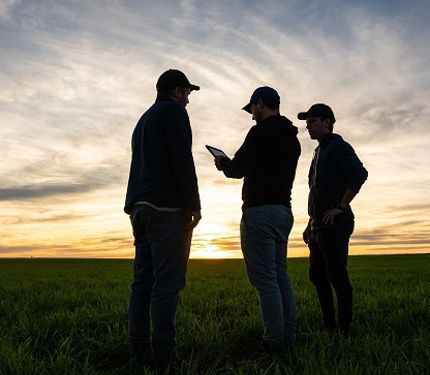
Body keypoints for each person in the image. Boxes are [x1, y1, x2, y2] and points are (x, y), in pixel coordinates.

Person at [124, 69, 201, 367]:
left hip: (139, 209)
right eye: (188, 94)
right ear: (178, 91)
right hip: (166, 209)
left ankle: (139, 351)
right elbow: (182, 158)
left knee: (142, 283)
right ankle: (166, 357)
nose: (189, 101)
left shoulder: (143, 120)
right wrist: (193, 204)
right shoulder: (175, 113)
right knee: (167, 283)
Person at [214, 86, 301, 350]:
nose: (251, 115)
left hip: (260, 212)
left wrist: (223, 163)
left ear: (260, 104)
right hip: (284, 211)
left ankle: (274, 341)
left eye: (252, 109)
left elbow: (237, 169)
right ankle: (289, 336)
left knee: (264, 280)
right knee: (280, 276)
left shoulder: (260, 132)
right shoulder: (292, 138)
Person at [299, 103, 368, 336]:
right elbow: (316, 190)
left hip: (335, 224)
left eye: (312, 121)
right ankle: (328, 323)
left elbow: (359, 174)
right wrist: (310, 222)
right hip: (319, 225)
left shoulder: (338, 146)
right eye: (306, 122)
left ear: (327, 122)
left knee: (337, 275)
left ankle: (344, 329)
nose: (307, 126)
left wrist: (341, 206)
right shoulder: (319, 151)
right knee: (317, 275)